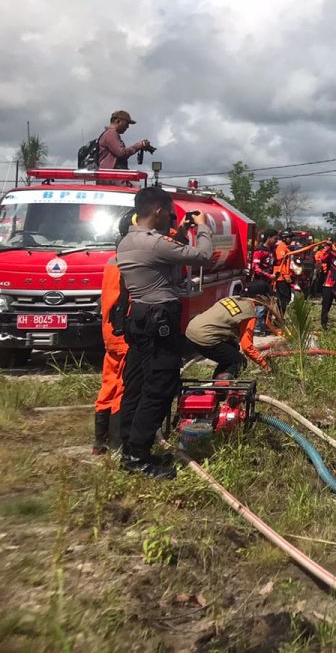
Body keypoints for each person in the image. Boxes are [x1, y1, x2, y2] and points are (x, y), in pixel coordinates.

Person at [117, 187, 213, 478]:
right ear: (158, 210)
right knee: (159, 386)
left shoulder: (128, 241)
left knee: (136, 383)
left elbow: (167, 255)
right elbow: (202, 256)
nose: (171, 216)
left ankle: (127, 445)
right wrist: (203, 227)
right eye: (169, 211)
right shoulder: (154, 243)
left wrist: (180, 233)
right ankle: (138, 455)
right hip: (159, 322)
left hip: (141, 320)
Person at [93, 210, 134, 454]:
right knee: (123, 384)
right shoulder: (132, 259)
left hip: (109, 330)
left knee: (108, 383)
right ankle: (119, 443)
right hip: (124, 330)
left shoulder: (113, 258)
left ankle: (100, 442)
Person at [185, 280, 274, 377]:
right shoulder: (248, 313)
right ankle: (222, 385)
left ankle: (216, 382)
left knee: (232, 351)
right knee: (239, 361)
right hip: (205, 337)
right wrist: (265, 366)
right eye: (267, 296)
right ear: (259, 297)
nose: (269, 299)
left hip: (191, 330)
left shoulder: (231, 298)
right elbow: (247, 347)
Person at [250, 229, 278, 334]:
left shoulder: (271, 251)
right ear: (269, 238)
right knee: (260, 305)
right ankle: (257, 327)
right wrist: (269, 275)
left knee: (268, 305)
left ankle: (264, 325)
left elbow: (275, 263)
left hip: (268, 283)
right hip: (259, 282)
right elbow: (255, 267)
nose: (276, 241)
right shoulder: (259, 250)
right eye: (275, 238)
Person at [272, 231, 294, 316]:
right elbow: (279, 263)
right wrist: (286, 275)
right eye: (289, 238)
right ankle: (279, 319)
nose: (291, 239)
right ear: (284, 238)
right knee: (283, 299)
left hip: (284, 277)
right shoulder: (282, 247)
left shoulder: (286, 247)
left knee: (285, 298)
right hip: (281, 278)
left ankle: (280, 318)